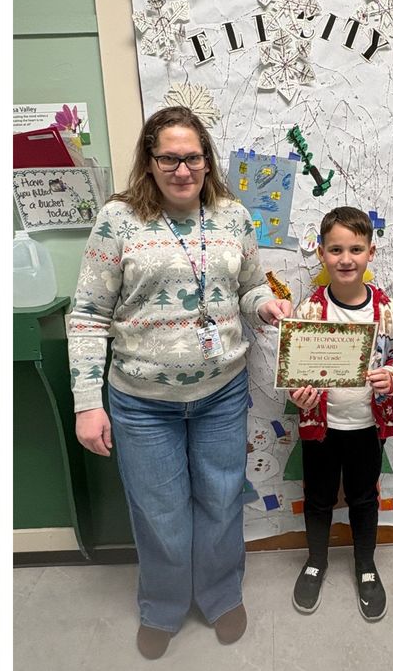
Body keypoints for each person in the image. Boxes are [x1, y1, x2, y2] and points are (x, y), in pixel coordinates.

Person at [67, 106, 291, 660]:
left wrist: (265, 306)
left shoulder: (233, 216)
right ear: (150, 160)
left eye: (193, 157)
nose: (182, 169)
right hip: (143, 402)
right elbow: (89, 314)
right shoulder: (118, 221)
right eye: (169, 157)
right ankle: (163, 607)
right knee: (158, 511)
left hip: (221, 393)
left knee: (220, 502)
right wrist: (85, 404)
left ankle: (219, 595)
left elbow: (247, 288)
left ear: (207, 160)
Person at [287, 206, 393, 621]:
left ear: (370, 253)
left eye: (356, 249)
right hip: (320, 429)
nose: (346, 258)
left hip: (367, 427)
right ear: (322, 254)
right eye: (336, 249)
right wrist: (300, 396)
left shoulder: (386, 310)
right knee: (319, 498)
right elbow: (293, 374)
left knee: (364, 498)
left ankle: (365, 566)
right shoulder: (309, 311)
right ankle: (316, 562)